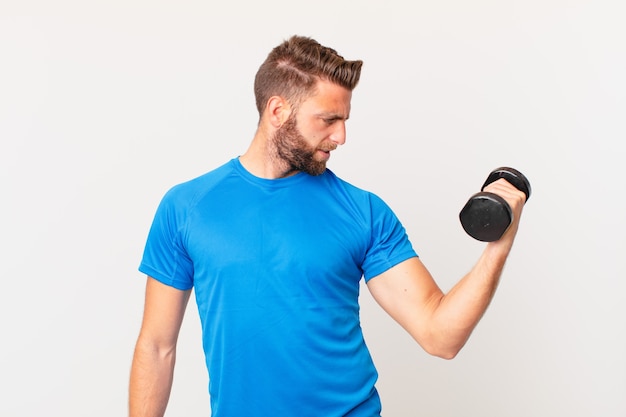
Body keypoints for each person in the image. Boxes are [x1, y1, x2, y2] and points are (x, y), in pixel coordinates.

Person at [129, 35, 526, 417]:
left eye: (345, 119)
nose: (341, 136)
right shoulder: (186, 208)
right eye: (328, 119)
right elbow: (157, 347)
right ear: (278, 111)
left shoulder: (363, 211)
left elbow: (440, 336)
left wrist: (499, 245)